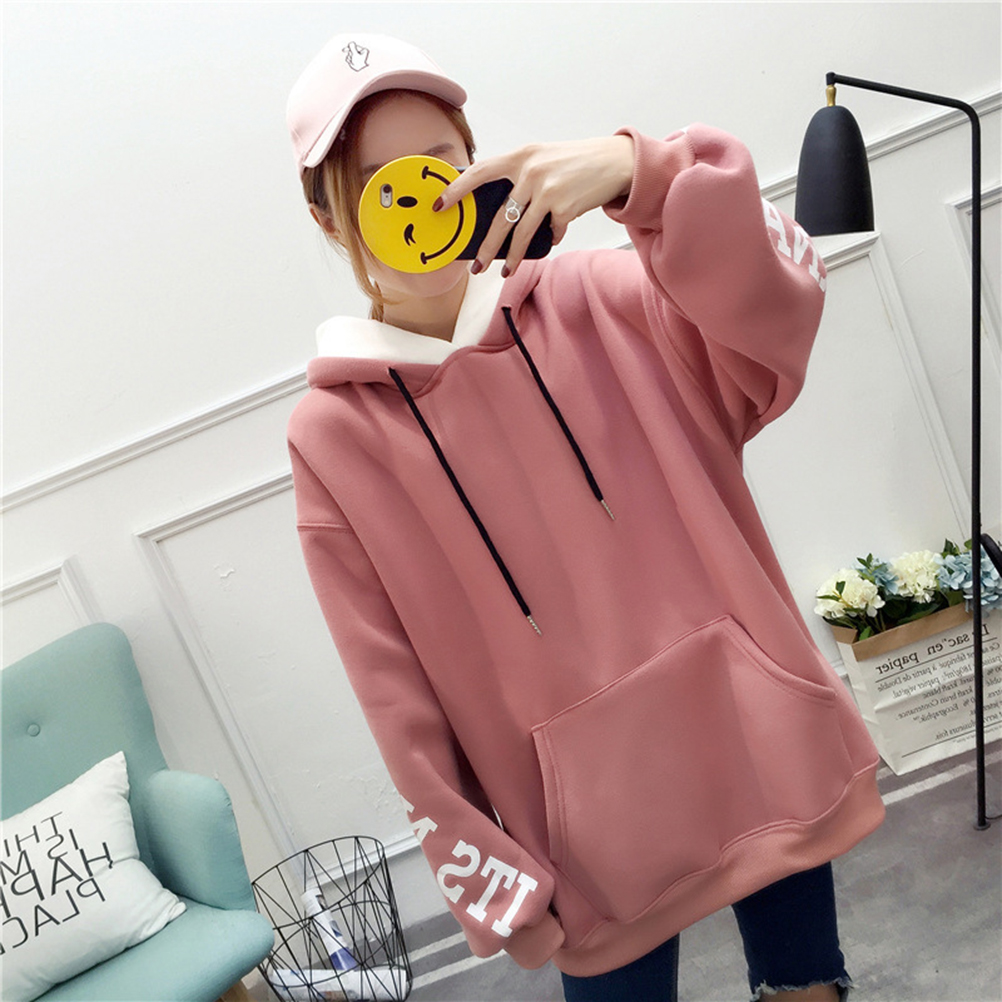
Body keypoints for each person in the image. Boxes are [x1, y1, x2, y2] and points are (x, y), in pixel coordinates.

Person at [284, 32, 886, 1002]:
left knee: (808, 989)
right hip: (588, 850)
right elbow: (393, 696)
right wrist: (496, 882)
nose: (423, 202)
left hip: (753, 748)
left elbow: (780, 309)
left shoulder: (602, 299)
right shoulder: (335, 438)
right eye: (377, 186)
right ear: (327, 217)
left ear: (480, 163)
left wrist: (637, 171)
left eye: (440, 165)